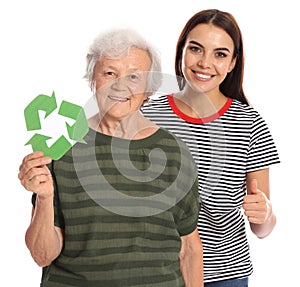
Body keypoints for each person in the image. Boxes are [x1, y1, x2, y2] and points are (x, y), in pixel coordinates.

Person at [18, 28, 204, 287]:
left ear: (149, 88)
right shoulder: (61, 149)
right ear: (92, 79)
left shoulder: (175, 154)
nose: (120, 85)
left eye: (134, 77)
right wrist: (45, 198)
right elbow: (42, 255)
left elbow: (190, 250)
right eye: (109, 73)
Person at [141, 9, 280, 287]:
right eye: (196, 49)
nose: (205, 63)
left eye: (220, 54)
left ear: (232, 63)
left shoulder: (248, 123)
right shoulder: (147, 115)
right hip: (157, 272)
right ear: (181, 50)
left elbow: (261, 228)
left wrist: (265, 213)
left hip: (225, 275)